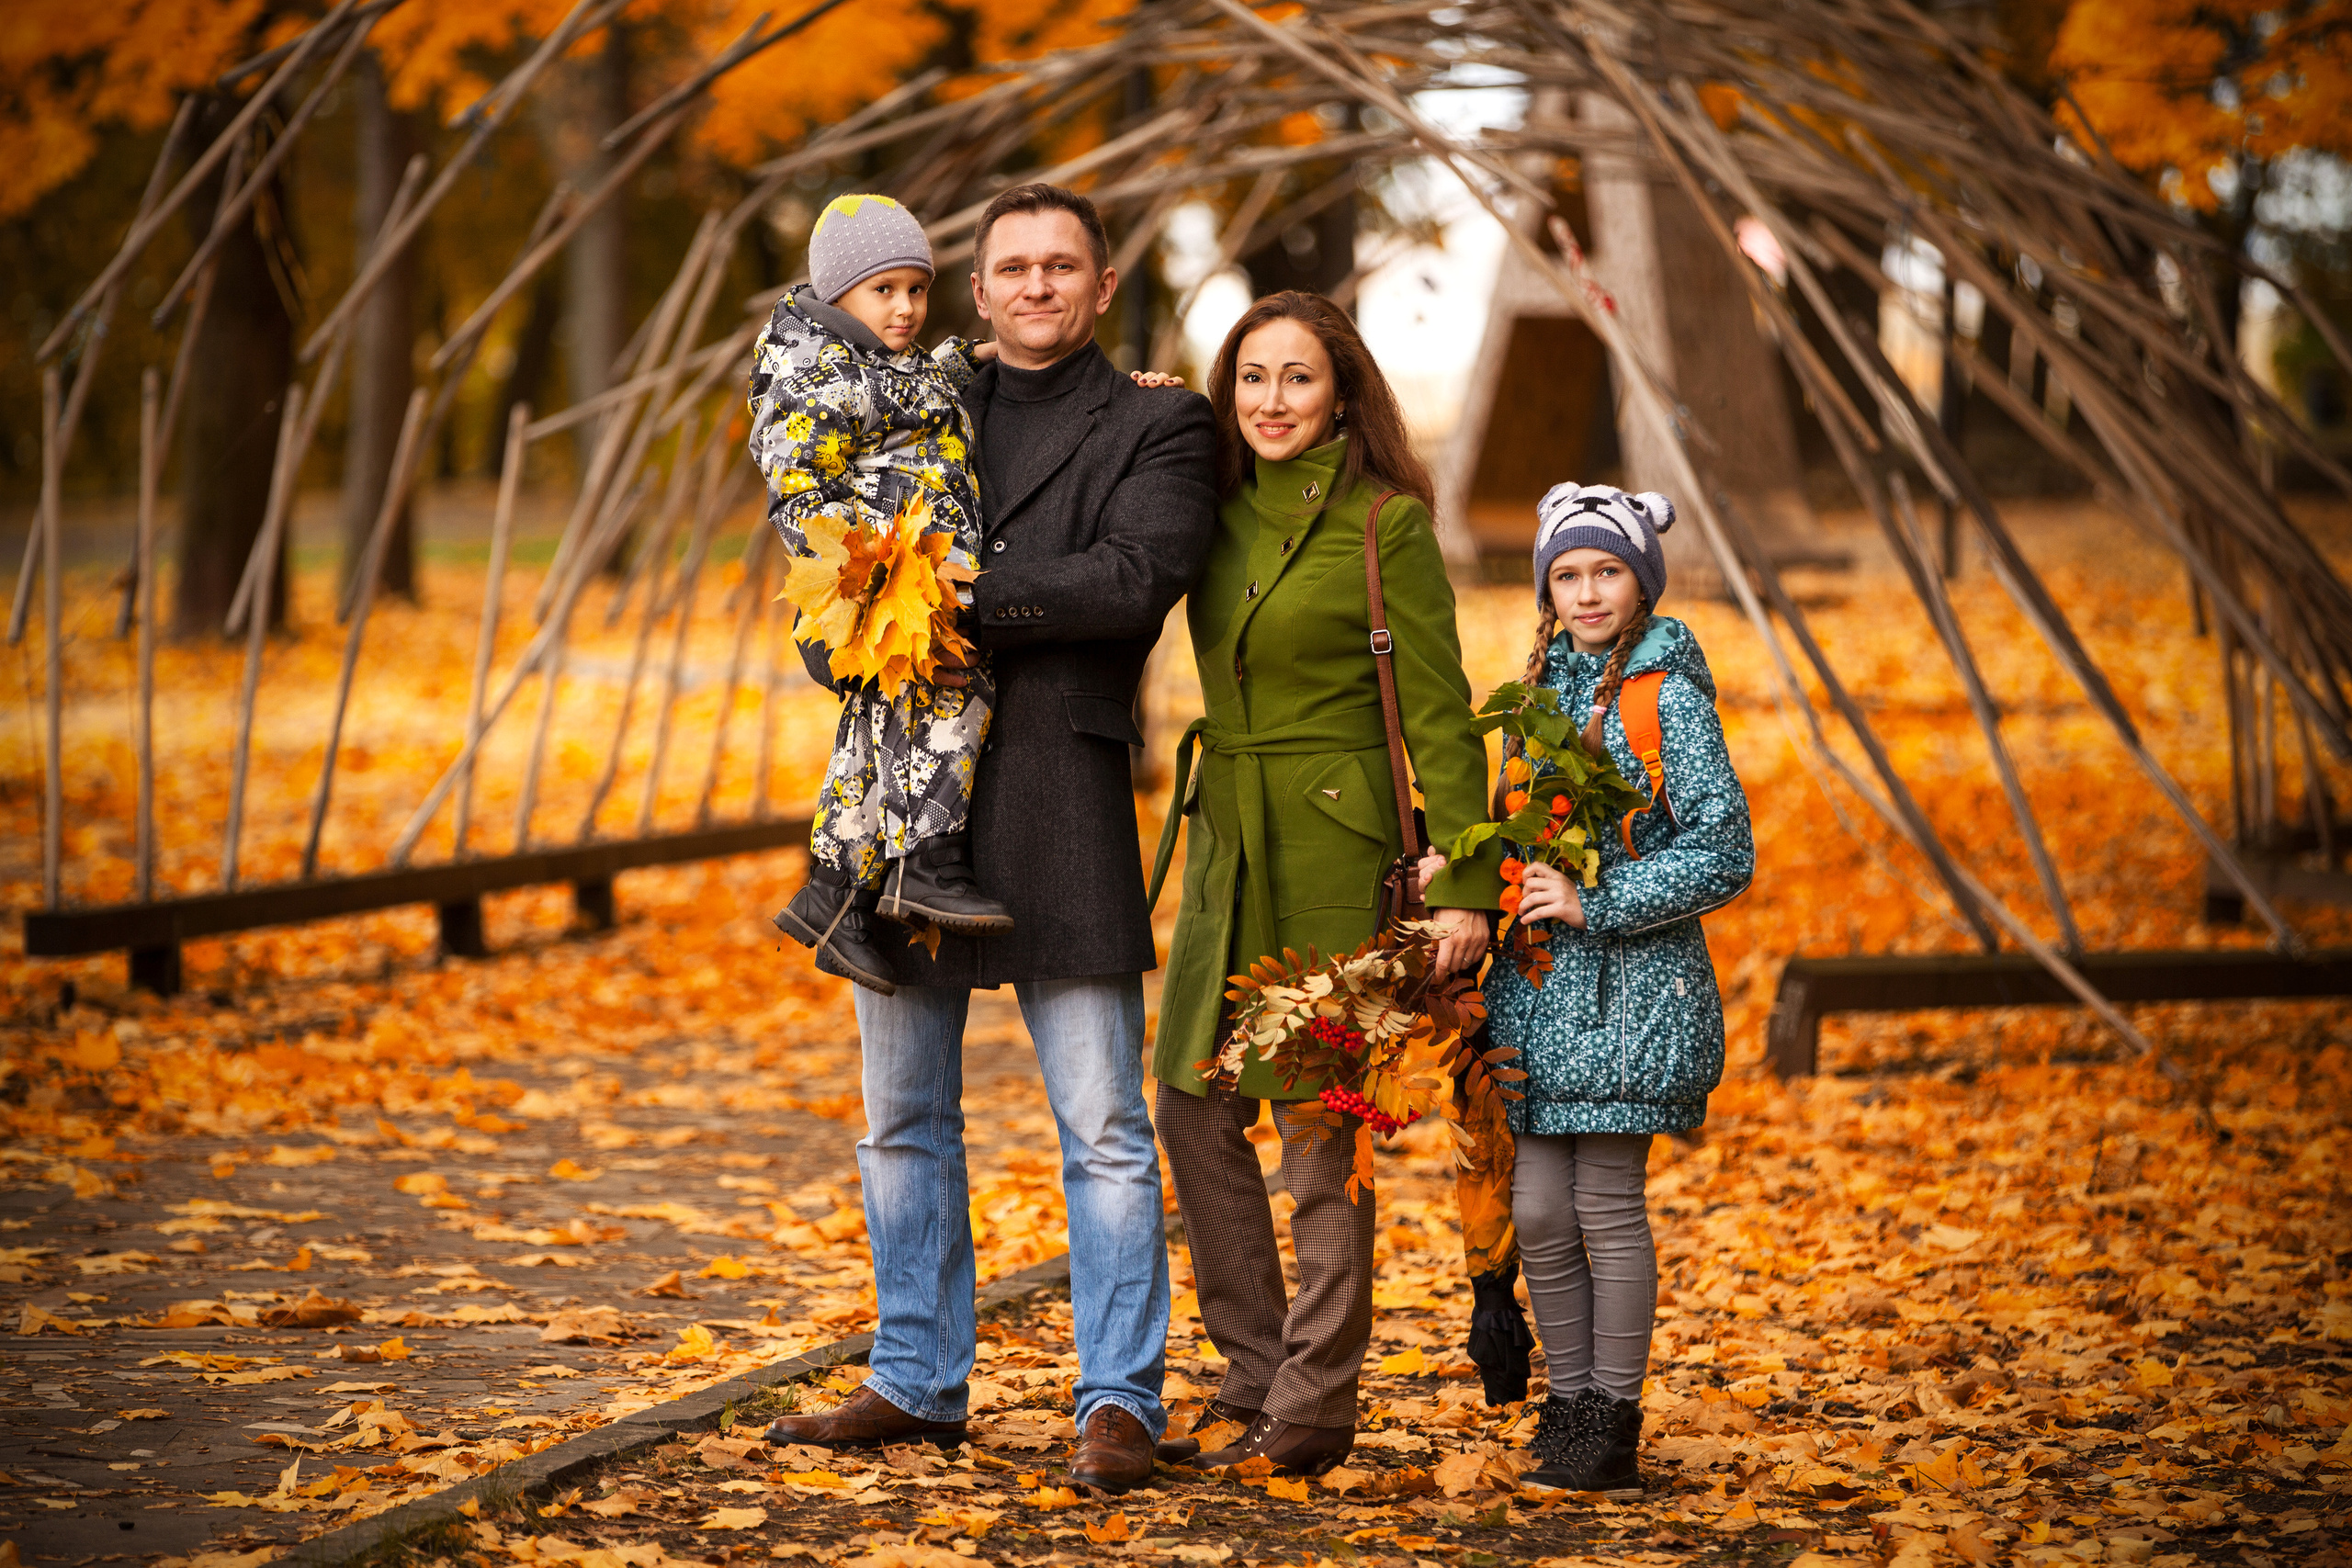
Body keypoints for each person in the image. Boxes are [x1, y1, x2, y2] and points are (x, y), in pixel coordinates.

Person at [762, 183, 1219, 1499]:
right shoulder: (915, 389)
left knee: (1103, 1126)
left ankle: (1120, 1398)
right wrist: (868, 614)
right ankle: (916, 1378)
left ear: (1101, 283)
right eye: (1011, 267)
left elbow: (1130, 580)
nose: (1036, 285)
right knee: (903, 1117)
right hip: (904, 810)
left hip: (1062, 801)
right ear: (977, 289)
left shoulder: (1159, 420)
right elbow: (824, 604)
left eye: (1060, 265)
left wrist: (943, 593)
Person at [1144, 292, 1501, 1478]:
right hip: (1229, 842)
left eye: (1298, 378)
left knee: (1318, 1128)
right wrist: (1123, 404)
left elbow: (1442, 715)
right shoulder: (1206, 504)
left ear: (1342, 392)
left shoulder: (1384, 524)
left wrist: (1466, 883)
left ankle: (1315, 1396)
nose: (1272, 400)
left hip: (1337, 849)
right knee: (1191, 1103)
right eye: (1251, 378)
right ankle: (1251, 1370)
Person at [1450, 481, 1754, 1495]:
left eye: (1607, 571)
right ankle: (1569, 1403)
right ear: (1546, 590)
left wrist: (1601, 899)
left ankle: (1611, 1417)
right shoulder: (1531, 700)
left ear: (1641, 582)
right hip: (1537, 999)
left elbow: (1724, 848)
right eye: (1568, 574)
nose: (1586, 593)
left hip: (1633, 996)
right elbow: (1514, 836)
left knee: (1604, 1203)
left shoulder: (1670, 699)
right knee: (1539, 1209)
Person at [749, 193, 1015, 994]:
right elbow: (800, 489)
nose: (905, 308)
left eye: (917, 289)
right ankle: (926, 861)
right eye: (884, 291)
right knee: (955, 692)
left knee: (875, 732)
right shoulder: (815, 376)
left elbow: (910, 392)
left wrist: (970, 360)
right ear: (837, 296)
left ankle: (834, 893)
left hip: (908, 583)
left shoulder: (873, 363)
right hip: (881, 584)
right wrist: (867, 576)